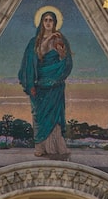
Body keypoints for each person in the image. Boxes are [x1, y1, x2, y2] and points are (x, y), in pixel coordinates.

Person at [18, 8, 72, 159]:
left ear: (55, 22)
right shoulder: (34, 42)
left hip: (55, 84)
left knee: (54, 116)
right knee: (40, 116)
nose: (48, 23)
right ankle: (40, 147)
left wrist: (61, 56)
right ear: (42, 23)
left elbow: (66, 61)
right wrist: (31, 85)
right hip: (40, 83)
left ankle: (57, 147)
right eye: (46, 20)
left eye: (51, 20)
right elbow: (36, 56)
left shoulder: (61, 39)